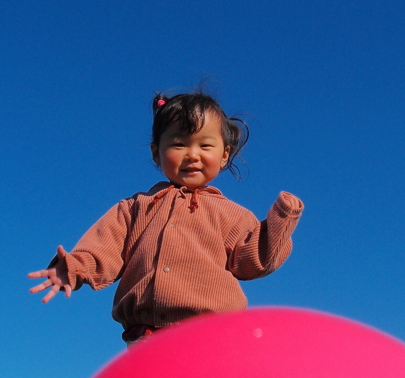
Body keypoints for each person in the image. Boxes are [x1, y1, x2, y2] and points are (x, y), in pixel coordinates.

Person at [28, 90, 304, 344]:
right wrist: (74, 267)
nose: (192, 155)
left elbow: (254, 260)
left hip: (212, 336)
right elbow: (103, 247)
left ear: (224, 155)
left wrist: (281, 221)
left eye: (205, 146)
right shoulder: (136, 208)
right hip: (144, 338)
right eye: (179, 144)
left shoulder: (229, 214)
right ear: (156, 153)